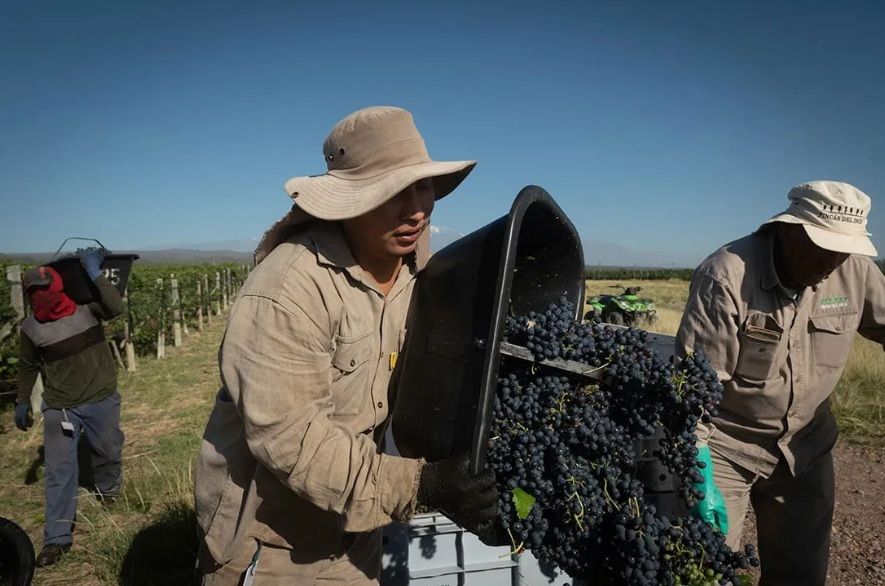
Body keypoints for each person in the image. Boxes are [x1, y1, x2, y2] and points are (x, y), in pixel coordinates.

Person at [194, 106, 499, 585]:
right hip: (272, 543)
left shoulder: (421, 272)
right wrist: (422, 485)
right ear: (348, 201)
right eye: (395, 192)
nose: (417, 210)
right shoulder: (286, 291)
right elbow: (291, 439)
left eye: (423, 187)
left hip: (358, 528)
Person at [678, 180, 885, 585]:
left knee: (801, 573)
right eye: (824, 246)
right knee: (708, 571)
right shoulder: (725, 277)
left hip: (805, 447)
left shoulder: (854, 268)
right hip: (726, 449)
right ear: (790, 230)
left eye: (844, 249)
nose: (833, 260)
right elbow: (694, 389)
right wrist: (695, 461)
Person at [14, 250, 125, 568]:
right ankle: (56, 539)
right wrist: (23, 400)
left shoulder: (87, 308)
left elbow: (116, 307)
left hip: (102, 397)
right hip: (60, 407)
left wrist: (94, 272)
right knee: (59, 472)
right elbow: (27, 365)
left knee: (107, 451)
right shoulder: (31, 329)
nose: (41, 297)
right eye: (34, 292)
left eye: (44, 289)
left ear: (60, 286)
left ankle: (108, 489)